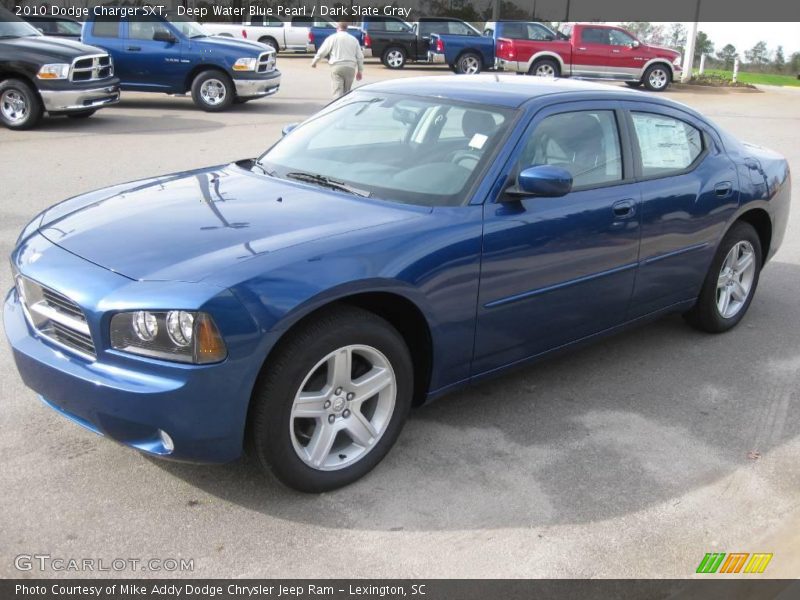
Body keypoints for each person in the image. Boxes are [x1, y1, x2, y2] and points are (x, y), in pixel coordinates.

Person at [311, 22, 364, 98]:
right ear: (347, 29)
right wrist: (360, 71)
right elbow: (360, 56)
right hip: (350, 68)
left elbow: (322, 51)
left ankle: (337, 107)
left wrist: (314, 62)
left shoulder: (332, 38)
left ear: (337, 28)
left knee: (337, 91)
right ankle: (345, 107)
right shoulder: (353, 39)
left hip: (337, 66)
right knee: (347, 93)